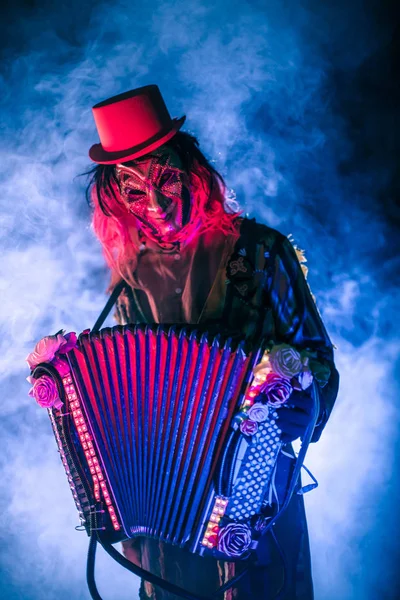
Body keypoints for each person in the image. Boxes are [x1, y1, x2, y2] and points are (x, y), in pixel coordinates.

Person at [86, 85, 339, 600]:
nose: (154, 202)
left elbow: (320, 366)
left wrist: (278, 408)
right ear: (117, 201)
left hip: (256, 499)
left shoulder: (262, 252)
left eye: (165, 179)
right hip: (165, 519)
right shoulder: (127, 280)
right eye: (133, 191)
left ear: (192, 171)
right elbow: (121, 398)